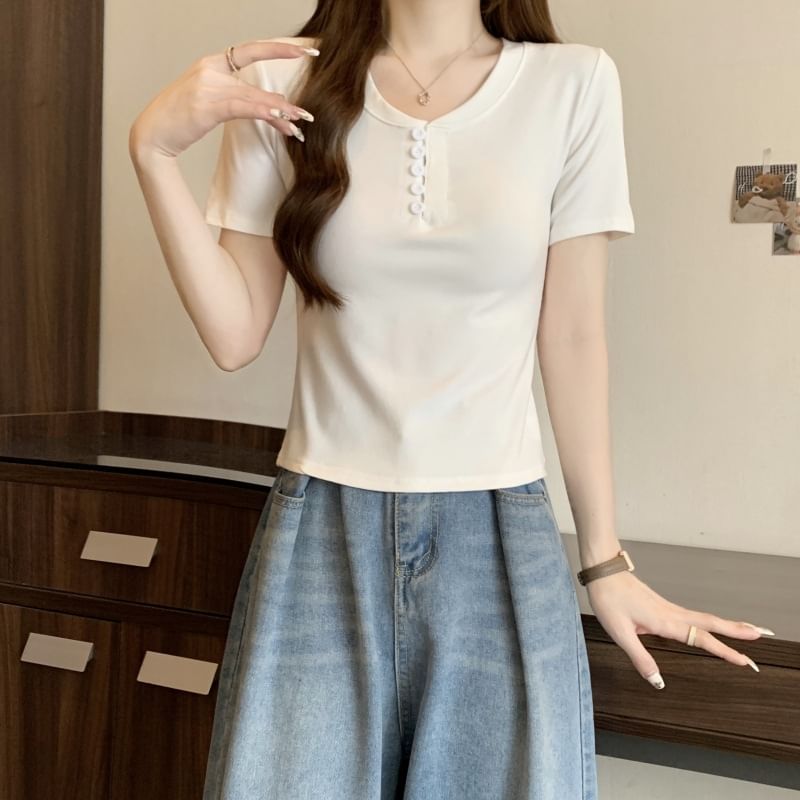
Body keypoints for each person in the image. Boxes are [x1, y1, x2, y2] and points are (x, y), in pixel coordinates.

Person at [129, 2, 775, 797]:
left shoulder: (572, 85)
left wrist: (604, 561)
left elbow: (573, 336)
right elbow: (234, 337)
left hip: (498, 533)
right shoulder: (281, 78)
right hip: (321, 527)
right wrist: (153, 150)